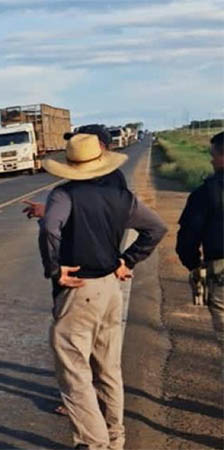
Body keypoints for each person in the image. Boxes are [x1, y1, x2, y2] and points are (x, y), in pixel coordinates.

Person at [38, 134, 167, 450]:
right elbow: (156, 229)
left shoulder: (63, 195)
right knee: (109, 369)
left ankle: (94, 443)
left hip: (80, 291)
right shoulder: (122, 197)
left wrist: (55, 269)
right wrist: (128, 259)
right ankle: (114, 438)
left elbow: (50, 229)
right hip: (111, 288)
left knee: (75, 373)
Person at [176, 131, 224, 346]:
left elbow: (188, 237)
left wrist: (194, 265)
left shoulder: (206, 193)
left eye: (214, 154)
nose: (211, 159)